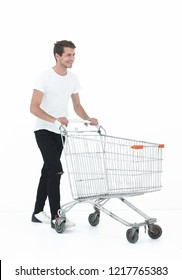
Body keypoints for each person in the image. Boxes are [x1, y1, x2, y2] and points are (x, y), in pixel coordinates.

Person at [30, 40, 98, 230]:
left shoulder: (73, 78)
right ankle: (56, 217)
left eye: (74, 54)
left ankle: (36, 212)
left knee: (48, 171)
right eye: (68, 55)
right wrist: (55, 120)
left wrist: (88, 118)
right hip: (44, 130)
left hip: (60, 132)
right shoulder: (44, 77)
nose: (72, 58)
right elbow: (33, 108)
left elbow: (76, 106)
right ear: (57, 56)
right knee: (56, 170)